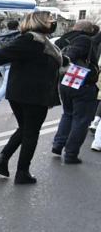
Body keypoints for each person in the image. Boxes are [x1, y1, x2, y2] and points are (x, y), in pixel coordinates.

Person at [0, 11, 68, 184]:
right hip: (32, 95)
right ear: (40, 22)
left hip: (22, 93)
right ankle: (22, 172)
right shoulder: (32, 40)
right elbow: (2, 54)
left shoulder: (41, 41)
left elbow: (47, 60)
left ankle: (2, 160)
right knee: (31, 133)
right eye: (50, 20)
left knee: (25, 129)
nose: (54, 22)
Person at [50, 20, 99, 163]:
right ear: (89, 31)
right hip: (81, 79)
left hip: (65, 80)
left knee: (68, 114)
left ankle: (58, 145)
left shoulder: (62, 39)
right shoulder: (84, 39)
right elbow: (73, 52)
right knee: (81, 119)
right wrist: (67, 59)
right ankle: (71, 154)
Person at [0, 20, 20, 115]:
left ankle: (16, 107)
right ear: (17, 26)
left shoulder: (1, 36)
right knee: (7, 86)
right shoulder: (19, 36)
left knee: (11, 86)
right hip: (12, 64)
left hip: (2, 65)